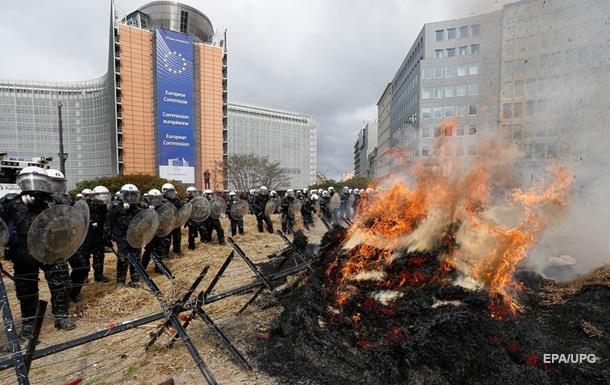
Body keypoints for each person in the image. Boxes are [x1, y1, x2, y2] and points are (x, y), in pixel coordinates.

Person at [0, 167, 75, 339]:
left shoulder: (55, 200)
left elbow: (70, 215)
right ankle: (29, 323)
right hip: (24, 251)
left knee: (60, 283)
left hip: (52, 248)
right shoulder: (11, 202)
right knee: (26, 288)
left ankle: (61, 316)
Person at [109, 184, 146, 288]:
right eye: (127, 195)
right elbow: (109, 222)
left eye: (133, 195)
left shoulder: (140, 207)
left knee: (137, 259)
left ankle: (135, 280)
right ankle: (120, 282)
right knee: (123, 260)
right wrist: (107, 238)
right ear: (122, 195)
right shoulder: (116, 207)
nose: (130, 197)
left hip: (136, 238)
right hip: (121, 238)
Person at [141, 189, 166, 273]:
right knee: (148, 251)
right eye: (154, 198)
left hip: (159, 232)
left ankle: (159, 268)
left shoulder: (162, 207)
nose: (156, 200)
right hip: (150, 233)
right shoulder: (144, 206)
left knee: (160, 250)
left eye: (157, 198)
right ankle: (142, 268)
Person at [160, 183, 182, 256]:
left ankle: (177, 253)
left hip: (176, 223)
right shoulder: (161, 201)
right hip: (166, 224)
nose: (171, 193)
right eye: (170, 191)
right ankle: (165, 255)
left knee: (177, 238)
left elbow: (181, 208)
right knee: (166, 240)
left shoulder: (176, 200)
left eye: (172, 191)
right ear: (164, 192)